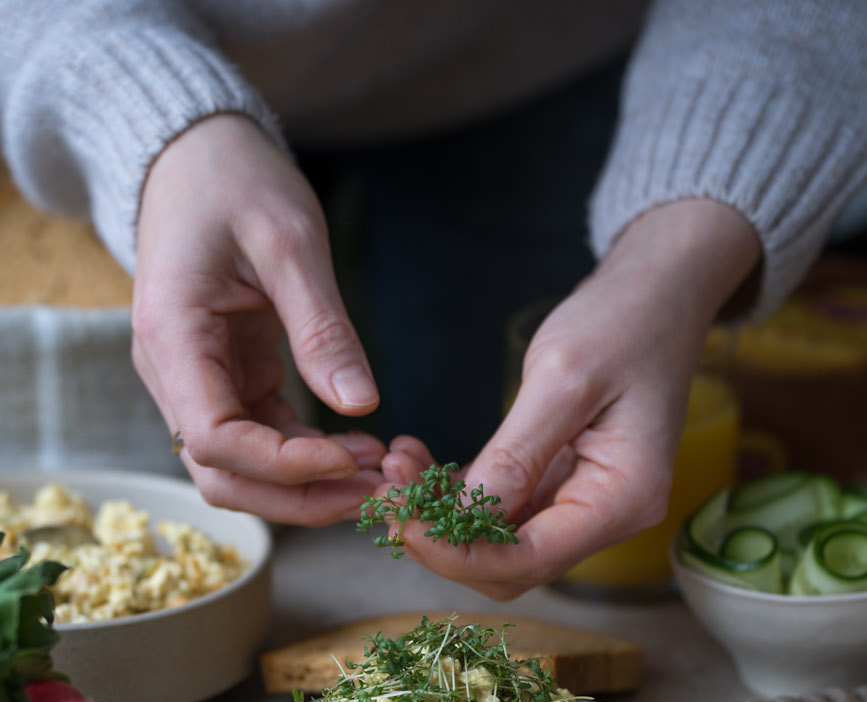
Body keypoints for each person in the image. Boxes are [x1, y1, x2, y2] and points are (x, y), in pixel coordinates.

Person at [2, 1, 865, 600]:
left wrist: (671, 258)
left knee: (534, 470)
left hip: (526, 62)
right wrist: (153, 130)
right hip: (128, 35)